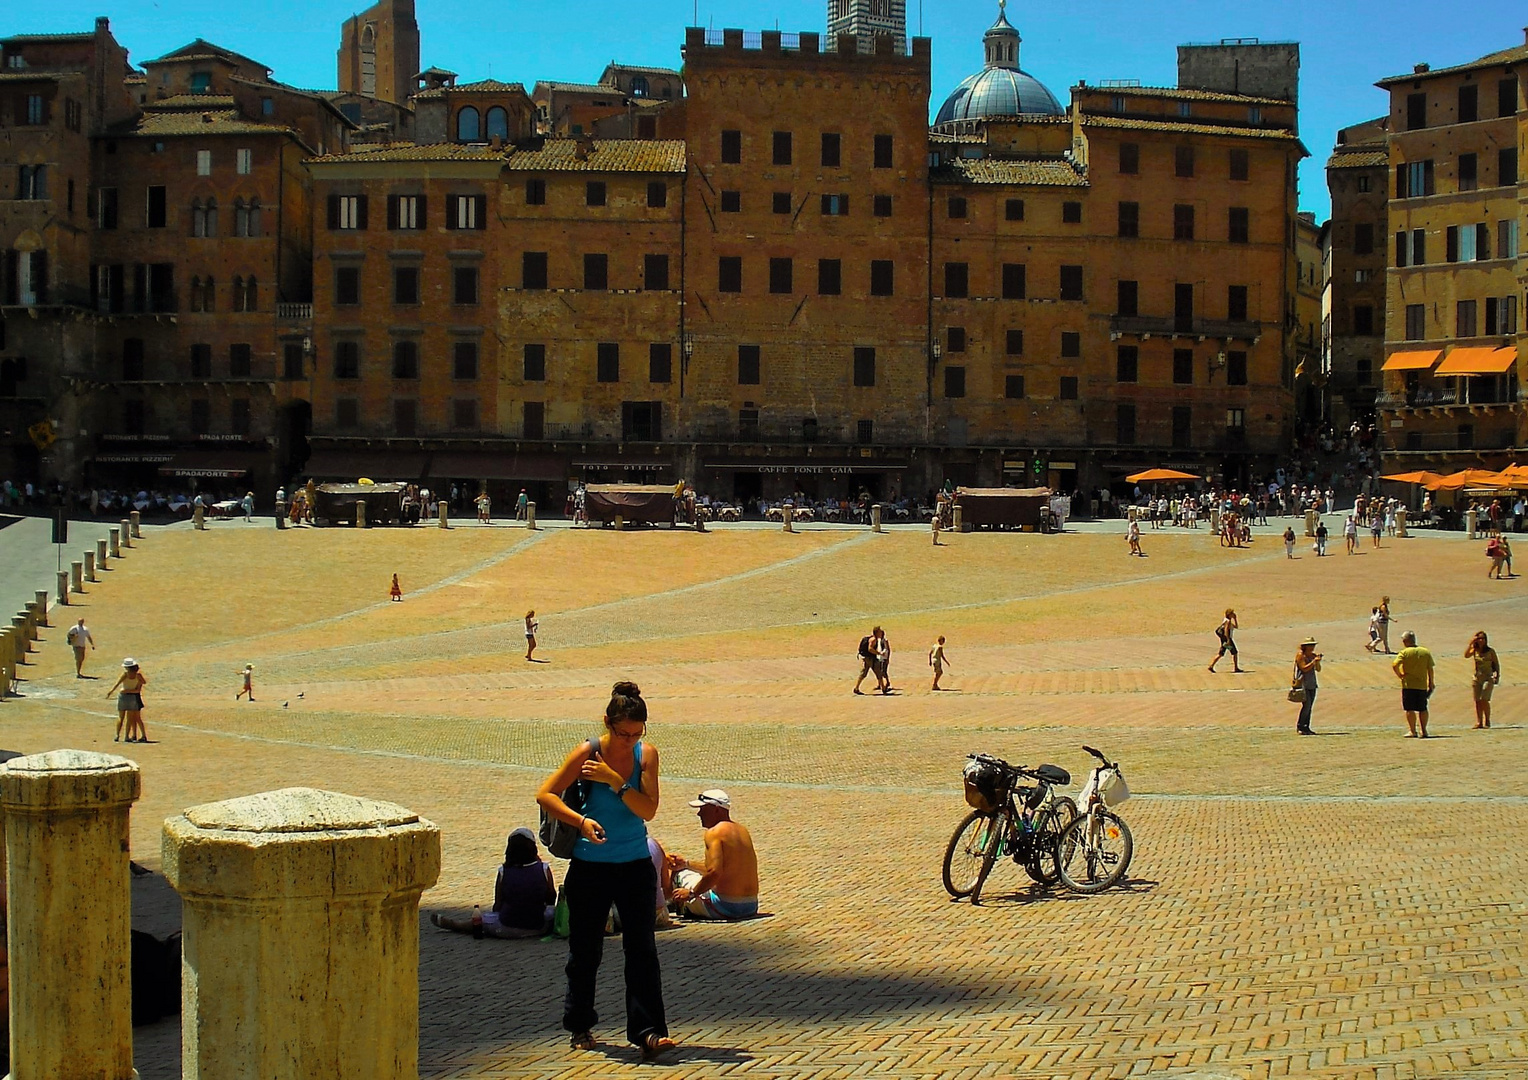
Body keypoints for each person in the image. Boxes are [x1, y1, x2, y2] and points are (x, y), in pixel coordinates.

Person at [535, 682, 673, 1059]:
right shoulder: (587, 752)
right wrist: (581, 823)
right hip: (590, 868)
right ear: (607, 724)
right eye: (622, 733)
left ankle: (648, 1031)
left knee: (642, 949)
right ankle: (580, 1024)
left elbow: (647, 810)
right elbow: (545, 794)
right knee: (585, 951)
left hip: (634, 865)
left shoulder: (646, 755)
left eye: (636, 733)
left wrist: (614, 781)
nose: (629, 740)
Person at [432, 828, 557, 939]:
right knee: (554, 912)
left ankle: (456, 925)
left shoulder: (503, 871)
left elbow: (498, 904)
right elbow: (551, 898)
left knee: (483, 919)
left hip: (506, 926)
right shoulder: (544, 869)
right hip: (539, 926)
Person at [669, 790, 759, 921]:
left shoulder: (714, 832)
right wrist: (687, 863)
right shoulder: (743, 831)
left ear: (717, 810)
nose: (699, 813)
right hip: (750, 905)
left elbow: (714, 872)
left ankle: (667, 905)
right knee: (684, 868)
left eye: (703, 809)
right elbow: (723, 869)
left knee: (678, 874)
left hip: (725, 907)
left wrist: (690, 894)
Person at [1391, 631, 1435, 738]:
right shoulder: (1425, 652)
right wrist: (1431, 682)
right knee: (1422, 708)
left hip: (1408, 684)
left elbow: (1394, 664)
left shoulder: (1404, 652)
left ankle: (1412, 730)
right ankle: (1424, 730)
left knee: (1409, 709)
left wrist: (1400, 675)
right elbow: (1430, 668)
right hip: (1421, 684)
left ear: (1406, 641)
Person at [107, 658, 149, 743]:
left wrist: (111, 692)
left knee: (120, 717)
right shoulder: (138, 675)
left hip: (123, 696)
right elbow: (144, 682)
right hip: (132, 697)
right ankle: (126, 736)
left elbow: (117, 683)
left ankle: (117, 735)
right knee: (129, 718)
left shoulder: (125, 674)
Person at [1464, 631, 1500, 730]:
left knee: (1484, 699)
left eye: (1483, 638)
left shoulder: (1490, 651)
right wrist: (1471, 643)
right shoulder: (1475, 650)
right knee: (1477, 700)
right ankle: (1479, 721)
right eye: (1479, 638)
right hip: (1477, 678)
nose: (1481, 640)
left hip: (1488, 677)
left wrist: (1497, 675)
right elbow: (1466, 655)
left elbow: (1496, 664)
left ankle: (1487, 720)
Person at [1293, 638, 1321, 735]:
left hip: (1312, 683)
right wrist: (1313, 662)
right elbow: (1304, 668)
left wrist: (1317, 662)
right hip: (1303, 683)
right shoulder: (1301, 655)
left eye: (1313, 645)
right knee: (1306, 705)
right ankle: (1301, 726)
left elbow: (1318, 669)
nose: (1312, 647)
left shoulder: (1312, 655)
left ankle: (1307, 727)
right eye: (1310, 645)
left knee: (1310, 706)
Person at [853, 627, 885, 695]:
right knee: (878, 672)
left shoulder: (873, 638)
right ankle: (883, 688)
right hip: (870, 658)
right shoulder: (873, 639)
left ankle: (856, 688)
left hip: (866, 658)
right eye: (880, 632)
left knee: (863, 673)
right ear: (876, 633)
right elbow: (870, 649)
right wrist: (879, 653)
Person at [1208, 609, 1241, 673]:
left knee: (1221, 653)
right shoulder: (1228, 622)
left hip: (1225, 640)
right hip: (1228, 640)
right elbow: (1226, 631)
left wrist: (1235, 619)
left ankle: (1211, 666)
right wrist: (1228, 640)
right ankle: (1236, 667)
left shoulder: (1226, 620)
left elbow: (1236, 626)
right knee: (1234, 652)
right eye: (1232, 613)